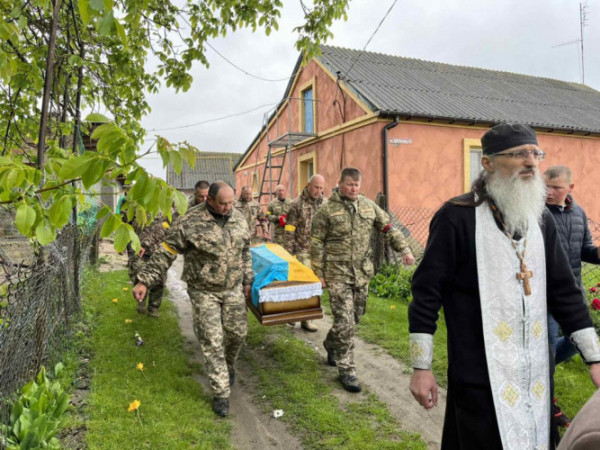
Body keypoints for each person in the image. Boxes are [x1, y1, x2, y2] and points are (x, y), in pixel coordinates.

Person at [408, 123, 600, 449]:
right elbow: (427, 293)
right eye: (517, 155)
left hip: (535, 376)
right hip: (478, 374)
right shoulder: (457, 217)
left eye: (535, 154)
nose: (530, 162)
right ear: (488, 163)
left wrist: (594, 359)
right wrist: (421, 368)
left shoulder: (540, 219)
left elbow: (564, 292)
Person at [133, 181, 253, 417]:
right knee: (212, 339)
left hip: (232, 288)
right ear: (209, 200)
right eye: (223, 204)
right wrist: (144, 280)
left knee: (237, 335)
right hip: (203, 290)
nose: (228, 207)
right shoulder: (189, 221)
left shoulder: (239, 217)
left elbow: (246, 250)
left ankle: (228, 367)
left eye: (231, 203)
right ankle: (221, 393)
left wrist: (248, 279)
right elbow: (166, 251)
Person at [311, 167, 415, 392]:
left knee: (355, 316)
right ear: (339, 183)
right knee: (345, 322)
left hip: (361, 273)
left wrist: (405, 249)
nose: (353, 189)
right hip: (337, 273)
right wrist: (319, 273)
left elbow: (388, 228)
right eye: (349, 184)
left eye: (357, 185)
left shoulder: (368, 206)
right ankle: (347, 370)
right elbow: (316, 241)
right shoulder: (327, 209)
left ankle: (331, 344)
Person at [544, 165, 600, 427]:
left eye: (556, 187)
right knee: (547, 352)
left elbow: (585, 250)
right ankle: (548, 403)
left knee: (577, 343)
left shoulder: (578, 213)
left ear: (570, 188)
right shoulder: (536, 214)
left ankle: (539, 366)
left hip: (572, 295)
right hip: (544, 298)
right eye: (546, 185)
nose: (549, 192)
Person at [284, 174, 326, 332]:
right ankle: (293, 314)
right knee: (301, 285)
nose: (318, 191)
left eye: (321, 188)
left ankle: (307, 319)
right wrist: (288, 254)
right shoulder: (296, 204)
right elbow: (289, 230)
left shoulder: (325, 204)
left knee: (316, 286)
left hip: (319, 252)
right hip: (302, 251)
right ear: (308, 185)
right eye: (316, 187)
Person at [127, 212, 170, 317]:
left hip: (158, 251)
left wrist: (145, 244)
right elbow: (129, 227)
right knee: (140, 275)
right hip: (138, 250)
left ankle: (153, 308)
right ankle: (141, 300)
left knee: (160, 280)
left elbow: (164, 229)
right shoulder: (137, 207)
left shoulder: (165, 211)